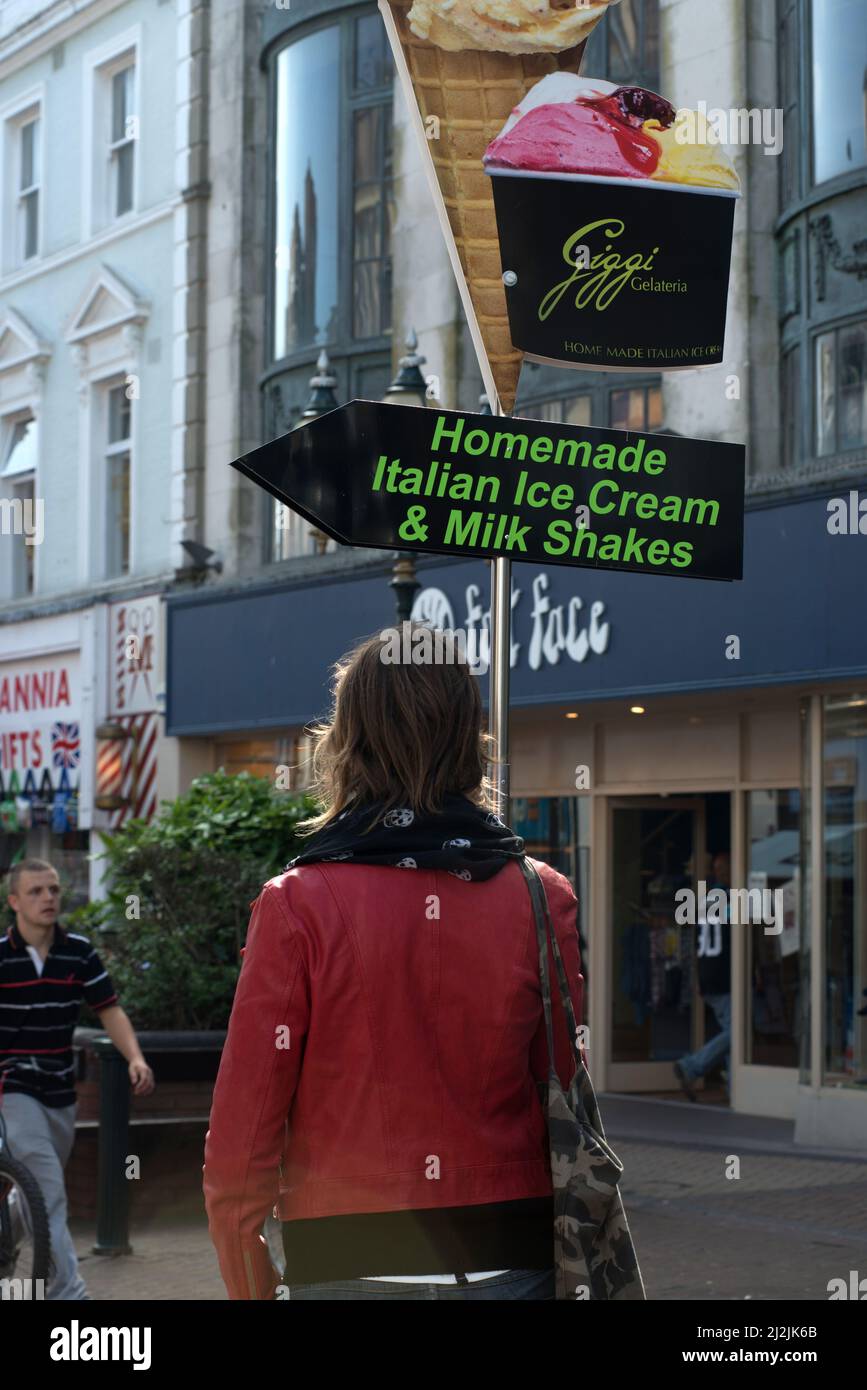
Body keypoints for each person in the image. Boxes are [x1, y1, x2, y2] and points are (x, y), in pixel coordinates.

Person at [203, 626, 585, 1301]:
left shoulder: (298, 905)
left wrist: (249, 1281)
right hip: (510, 1255)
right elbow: (563, 1088)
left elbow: (244, 1132)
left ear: (348, 739)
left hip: (345, 1254)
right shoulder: (539, 897)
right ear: (470, 736)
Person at [0, 859, 154, 1300]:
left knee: (33, 1190)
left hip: (61, 1092)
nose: (48, 898)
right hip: (13, 1088)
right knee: (49, 1192)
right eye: (35, 892)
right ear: (14, 902)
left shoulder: (79, 951)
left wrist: (135, 1058)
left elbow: (108, 1009)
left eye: (52, 890)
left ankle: (4, 1237)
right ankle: (68, 1292)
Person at [674, 850, 732, 1102]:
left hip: (708, 975)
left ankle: (734, 1088)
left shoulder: (705, 901)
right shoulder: (732, 899)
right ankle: (692, 1065)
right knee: (738, 1033)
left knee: (730, 1031)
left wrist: (697, 977)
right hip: (724, 975)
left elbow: (697, 942)